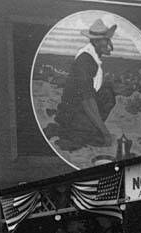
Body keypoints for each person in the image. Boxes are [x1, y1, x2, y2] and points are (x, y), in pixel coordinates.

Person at [43, 18, 118, 151]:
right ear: (95, 41)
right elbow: (87, 100)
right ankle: (74, 131)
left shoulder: (93, 57)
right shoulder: (85, 60)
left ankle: (87, 129)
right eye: (105, 40)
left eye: (108, 39)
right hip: (73, 111)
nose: (109, 43)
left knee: (108, 92)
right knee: (100, 140)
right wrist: (105, 131)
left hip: (78, 107)